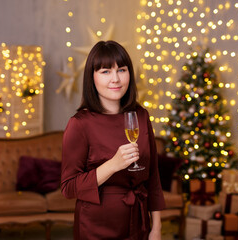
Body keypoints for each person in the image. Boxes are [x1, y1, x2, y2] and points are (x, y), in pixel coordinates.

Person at [61, 40, 165, 240]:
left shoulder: (141, 116)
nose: (116, 79)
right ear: (92, 77)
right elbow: (69, 187)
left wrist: (157, 227)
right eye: (105, 71)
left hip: (139, 224)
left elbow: (153, 177)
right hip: (96, 227)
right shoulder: (79, 124)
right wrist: (113, 165)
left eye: (122, 70)